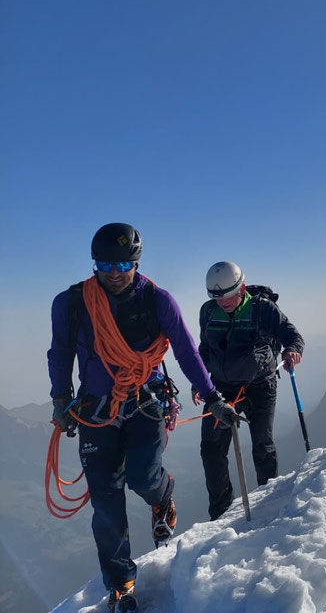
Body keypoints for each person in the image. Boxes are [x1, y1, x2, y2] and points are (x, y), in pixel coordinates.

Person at [47, 223, 241, 613]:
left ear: (136, 262)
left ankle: (162, 498)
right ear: (94, 263)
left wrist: (213, 398)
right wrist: (61, 399)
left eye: (123, 264)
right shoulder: (71, 303)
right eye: (105, 264)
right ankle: (121, 584)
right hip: (97, 408)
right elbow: (60, 352)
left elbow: (186, 351)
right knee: (105, 501)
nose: (114, 273)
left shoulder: (157, 301)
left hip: (145, 401)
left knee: (142, 477)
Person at [195, 261, 305, 520]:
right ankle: (220, 513)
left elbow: (292, 335)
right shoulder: (208, 311)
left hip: (260, 386)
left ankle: (268, 502)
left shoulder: (262, 309)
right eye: (216, 296)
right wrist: (198, 382)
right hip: (220, 390)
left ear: (241, 288)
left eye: (227, 295)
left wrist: (292, 350)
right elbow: (204, 349)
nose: (222, 302)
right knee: (211, 449)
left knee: (262, 445)